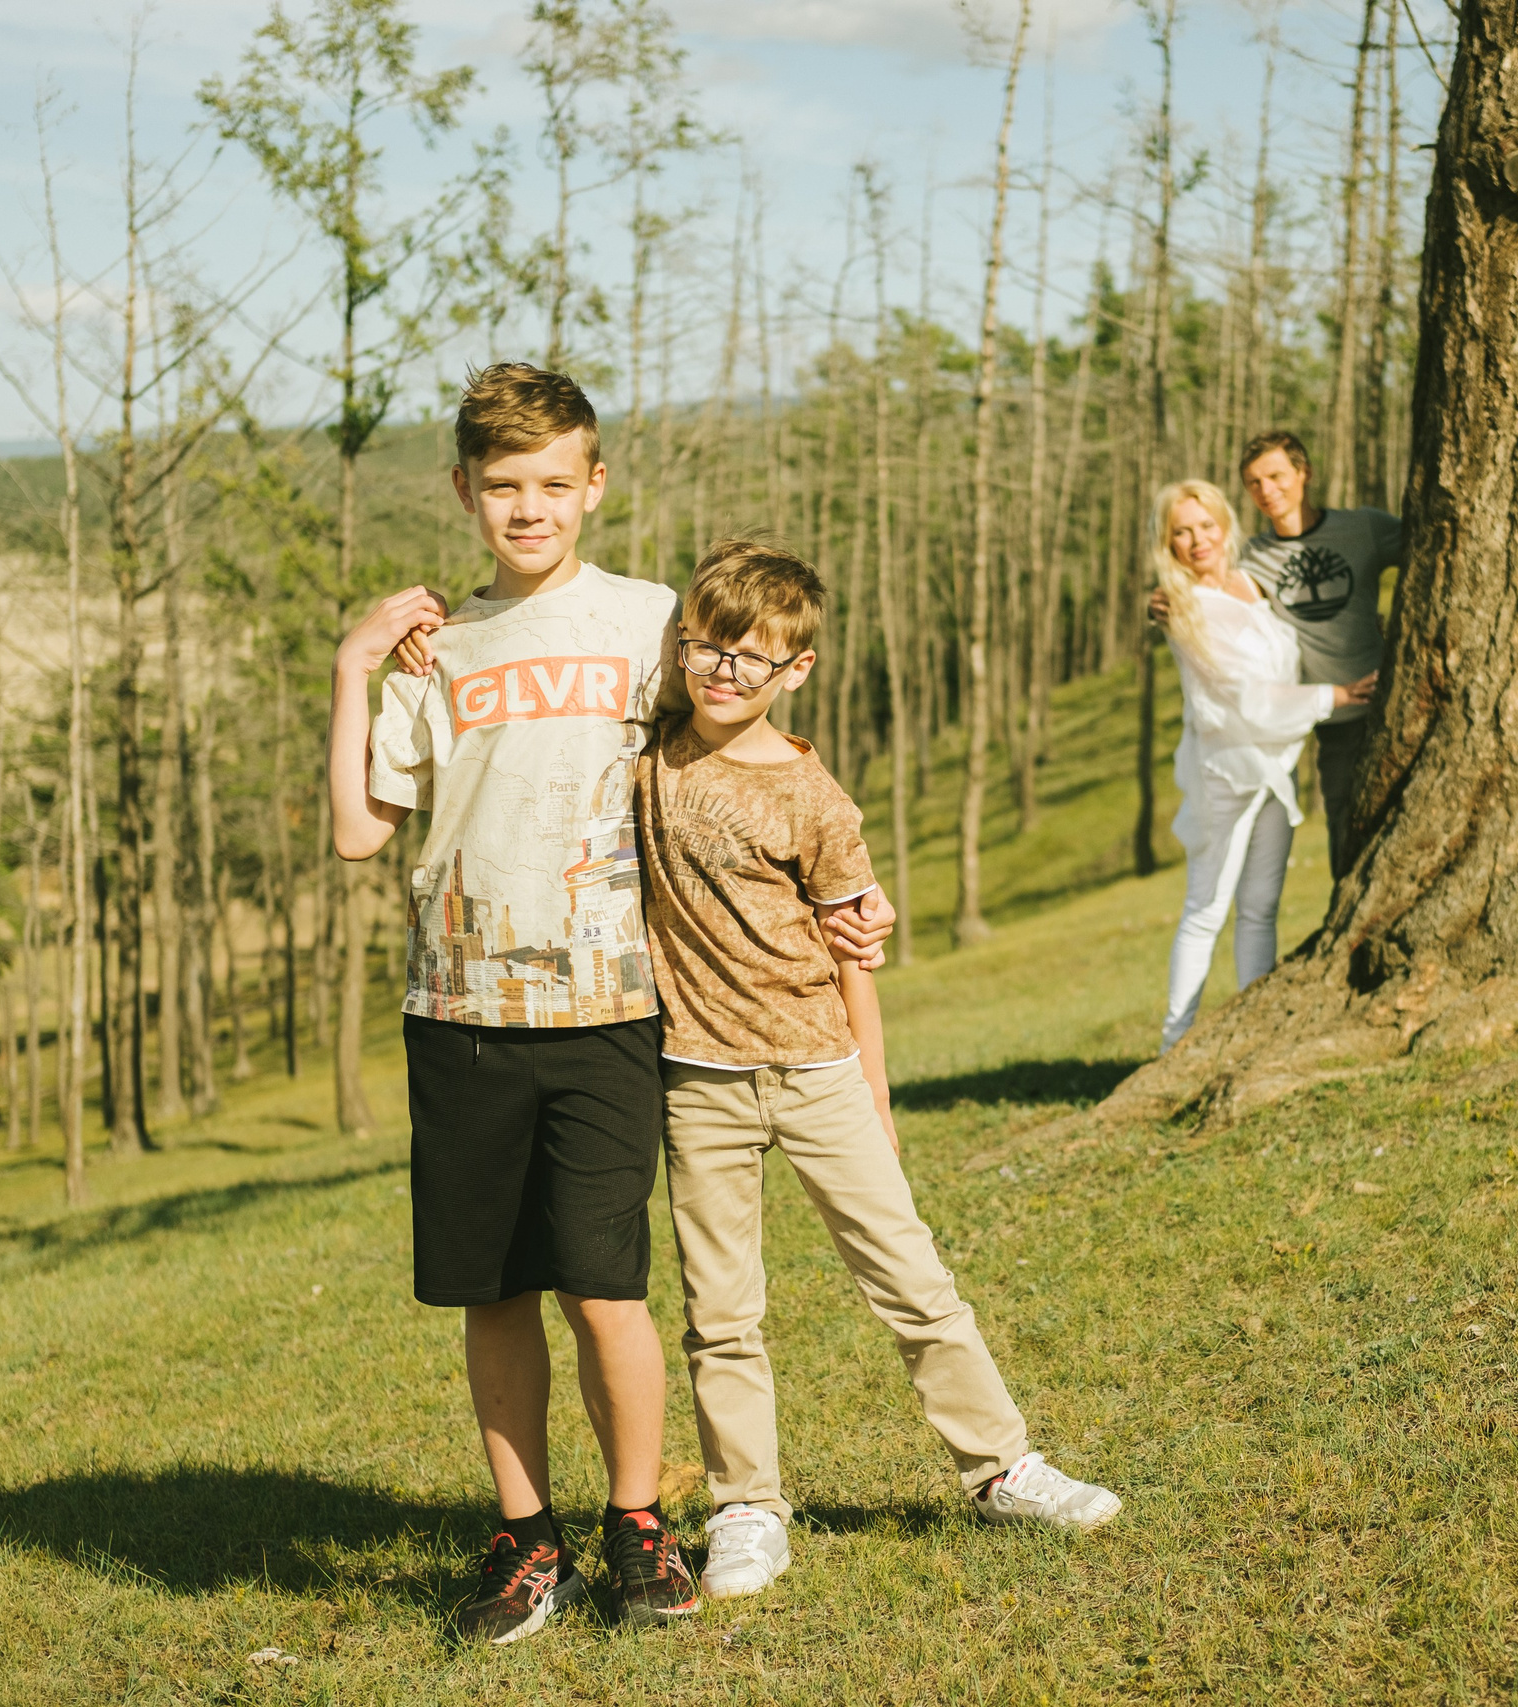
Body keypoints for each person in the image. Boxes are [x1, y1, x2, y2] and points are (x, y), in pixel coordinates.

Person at [327, 363, 893, 1645]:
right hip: (460, 1013)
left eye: (552, 485)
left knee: (604, 1288)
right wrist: (358, 662)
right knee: (493, 1292)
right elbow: (364, 830)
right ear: (465, 491)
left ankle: (637, 1528)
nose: (528, 510)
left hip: (614, 1012)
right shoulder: (440, 649)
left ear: (594, 485)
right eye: (503, 488)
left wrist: (843, 886)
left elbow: (755, 740)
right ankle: (528, 1544)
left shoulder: (652, 623)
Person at [636, 538, 1122, 1602]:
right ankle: (746, 1507)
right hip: (696, 1079)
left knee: (911, 1282)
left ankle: (1001, 1466)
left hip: (818, 1073)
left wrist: (876, 1096)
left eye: (747, 658)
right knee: (721, 1312)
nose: (721, 671)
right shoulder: (647, 753)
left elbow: (856, 955)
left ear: (795, 671)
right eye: (704, 648)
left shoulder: (818, 800)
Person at [1152, 479, 1363, 1052]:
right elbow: (1245, 696)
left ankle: (1253, 1031)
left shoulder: (1251, 583)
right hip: (1229, 770)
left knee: (1261, 904)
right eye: (1181, 532)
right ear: (1167, 543)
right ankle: (1174, 1044)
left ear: (1225, 526)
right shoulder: (1182, 604)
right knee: (1207, 905)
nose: (1197, 540)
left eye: (1205, 526)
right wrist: (1333, 698)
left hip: (1275, 764)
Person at [1154, 432, 1402, 885]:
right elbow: (1212, 595)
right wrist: (1162, 601)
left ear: (1303, 474)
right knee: (1346, 833)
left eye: (1275, 476)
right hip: (1335, 723)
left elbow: (1438, 549)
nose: (1266, 491)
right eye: (1253, 483)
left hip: (1399, 702)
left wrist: (1405, 631)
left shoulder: (1361, 528)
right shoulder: (1253, 559)